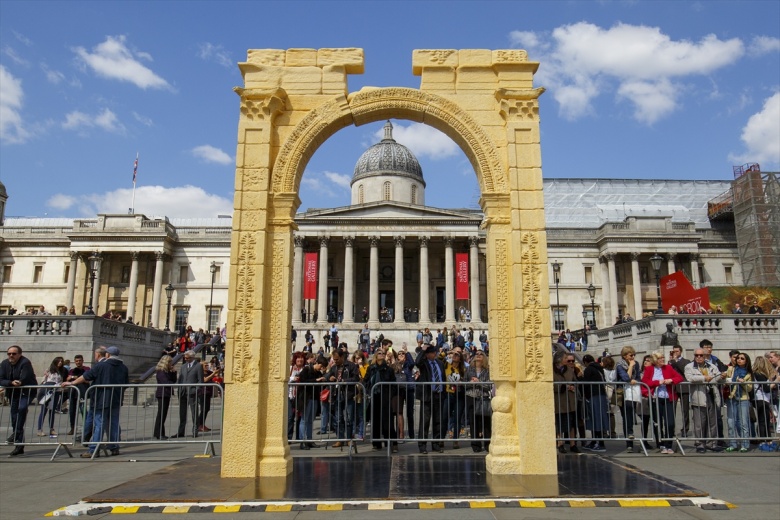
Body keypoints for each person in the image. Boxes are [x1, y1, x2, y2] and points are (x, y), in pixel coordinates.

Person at [63, 346, 129, 457]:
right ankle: (114, 447)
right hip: (116, 399)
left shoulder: (101, 365)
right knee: (113, 423)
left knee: (99, 424)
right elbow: (126, 384)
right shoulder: (124, 367)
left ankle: (94, 449)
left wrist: (72, 383)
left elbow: (85, 376)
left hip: (101, 399)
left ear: (107, 355)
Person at [641, 350, 683, 454]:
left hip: (668, 398)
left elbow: (679, 377)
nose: (662, 360)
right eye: (660, 358)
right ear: (655, 360)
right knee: (657, 423)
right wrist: (657, 382)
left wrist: (671, 380)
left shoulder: (668, 368)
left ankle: (669, 444)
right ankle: (661, 444)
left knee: (670, 423)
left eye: (663, 358)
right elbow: (645, 382)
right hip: (655, 398)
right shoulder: (649, 369)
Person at [1, 345, 37, 456]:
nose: (11, 355)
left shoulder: (25, 362)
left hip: (26, 392)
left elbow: (25, 377)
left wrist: (19, 382)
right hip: (13, 393)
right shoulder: (4, 363)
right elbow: (1, 378)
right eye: (9, 353)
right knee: (14, 416)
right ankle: (19, 445)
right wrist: (10, 383)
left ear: (19, 354)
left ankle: (16, 433)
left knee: (22, 409)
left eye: (14, 354)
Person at [685, 348, 723, 453]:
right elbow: (689, 378)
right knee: (699, 422)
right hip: (698, 396)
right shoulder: (689, 367)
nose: (699, 357)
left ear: (704, 356)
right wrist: (703, 378)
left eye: (701, 355)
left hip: (711, 395)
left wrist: (721, 377)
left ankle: (712, 443)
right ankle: (700, 444)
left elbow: (716, 376)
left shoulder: (711, 366)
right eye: (696, 355)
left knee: (713, 421)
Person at [415, 343, 447, 454]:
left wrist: (444, 392)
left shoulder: (439, 363)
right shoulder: (424, 363)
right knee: (425, 421)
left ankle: (436, 444)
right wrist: (422, 350)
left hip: (439, 394)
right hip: (428, 395)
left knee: (438, 421)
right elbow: (417, 362)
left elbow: (443, 377)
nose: (434, 354)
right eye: (432, 353)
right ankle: (422, 445)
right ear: (427, 354)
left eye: (434, 352)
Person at [325, 349, 360, 448]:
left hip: (348, 394)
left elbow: (356, 378)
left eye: (337, 359)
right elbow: (327, 376)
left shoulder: (351, 366)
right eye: (334, 359)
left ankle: (349, 438)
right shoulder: (334, 367)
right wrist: (329, 378)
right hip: (337, 394)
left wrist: (344, 380)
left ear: (342, 357)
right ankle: (340, 439)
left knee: (349, 418)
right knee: (338, 418)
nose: (335, 361)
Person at [364, 350, 397, 451]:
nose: (382, 355)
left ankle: (391, 443)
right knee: (375, 420)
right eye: (379, 353)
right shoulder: (371, 368)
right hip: (374, 396)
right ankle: (376, 443)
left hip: (385, 397)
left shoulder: (389, 369)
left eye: (383, 353)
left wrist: (390, 394)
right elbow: (366, 381)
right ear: (375, 356)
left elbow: (393, 383)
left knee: (388, 421)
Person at [615, 346, 642, 453]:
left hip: (633, 391)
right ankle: (629, 440)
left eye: (634, 355)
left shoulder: (637, 364)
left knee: (631, 414)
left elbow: (638, 377)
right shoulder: (619, 365)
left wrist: (634, 379)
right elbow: (626, 378)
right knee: (626, 416)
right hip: (623, 393)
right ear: (625, 356)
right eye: (631, 355)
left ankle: (631, 435)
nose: (633, 357)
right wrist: (630, 366)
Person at [724, 353, 752, 452]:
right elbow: (725, 380)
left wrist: (743, 383)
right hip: (731, 397)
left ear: (746, 361)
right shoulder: (731, 369)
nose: (739, 360)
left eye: (742, 358)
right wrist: (725, 380)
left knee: (743, 423)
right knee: (730, 422)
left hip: (743, 398)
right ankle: (733, 444)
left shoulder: (748, 373)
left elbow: (749, 388)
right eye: (738, 358)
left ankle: (745, 444)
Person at [173, 350, 204, 438]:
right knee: (182, 413)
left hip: (192, 393)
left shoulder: (198, 366)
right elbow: (180, 379)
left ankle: (195, 430)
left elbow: (200, 380)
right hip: (183, 392)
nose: (186, 359)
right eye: (185, 358)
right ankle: (181, 431)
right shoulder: (183, 366)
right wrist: (179, 389)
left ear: (193, 357)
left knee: (194, 412)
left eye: (188, 358)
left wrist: (196, 390)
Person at [465, 350, 492, 453]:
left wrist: (479, 382)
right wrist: (470, 382)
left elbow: (489, 385)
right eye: (477, 354)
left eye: (481, 354)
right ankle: (475, 445)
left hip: (483, 397)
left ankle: (487, 444)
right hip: (471, 397)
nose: (479, 355)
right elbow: (464, 384)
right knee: (473, 422)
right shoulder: (469, 369)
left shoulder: (487, 370)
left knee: (485, 422)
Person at [581, 354, 608, 452]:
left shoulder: (588, 369)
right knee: (598, 418)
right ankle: (594, 442)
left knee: (595, 419)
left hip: (593, 396)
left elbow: (586, 384)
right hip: (601, 395)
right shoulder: (599, 368)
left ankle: (600, 443)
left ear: (585, 362)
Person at [37, 356, 67, 437]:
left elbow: (61, 381)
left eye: (61, 361)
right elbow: (44, 380)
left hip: (56, 391)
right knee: (44, 410)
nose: (60, 362)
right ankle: (39, 429)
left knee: (52, 410)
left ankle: (51, 428)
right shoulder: (49, 370)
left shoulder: (62, 371)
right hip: (48, 390)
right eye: (59, 361)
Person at [444, 350, 466, 449]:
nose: (454, 356)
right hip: (449, 394)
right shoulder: (447, 365)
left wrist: (462, 382)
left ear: (460, 359)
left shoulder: (463, 370)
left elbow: (466, 380)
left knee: (457, 418)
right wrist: (449, 351)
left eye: (457, 355)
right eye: (454, 355)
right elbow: (439, 358)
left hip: (459, 395)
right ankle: (441, 438)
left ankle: (455, 440)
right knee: (445, 417)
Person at [65, 354, 90, 435]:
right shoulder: (72, 370)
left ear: (83, 361)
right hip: (73, 393)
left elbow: (86, 380)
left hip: (82, 393)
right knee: (72, 411)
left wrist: (74, 378)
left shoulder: (86, 369)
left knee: (83, 411)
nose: (78, 362)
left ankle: (87, 428)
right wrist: (78, 377)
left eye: (80, 361)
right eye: (76, 361)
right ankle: (72, 428)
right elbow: (68, 379)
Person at [670, 345, 692, 437]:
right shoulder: (670, 362)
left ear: (681, 351)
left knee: (685, 410)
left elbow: (684, 370)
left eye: (677, 351)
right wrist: (671, 362)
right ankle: (671, 429)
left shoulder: (686, 361)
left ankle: (685, 429)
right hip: (673, 388)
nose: (675, 353)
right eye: (674, 351)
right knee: (672, 410)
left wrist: (676, 362)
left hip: (683, 387)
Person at [153, 355, 177, 439]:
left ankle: (160, 432)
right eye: (170, 362)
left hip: (166, 393)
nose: (171, 363)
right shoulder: (161, 371)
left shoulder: (167, 371)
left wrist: (173, 372)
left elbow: (173, 380)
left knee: (163, 413)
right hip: (162, 393)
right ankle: (159, 433)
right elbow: (166, 382)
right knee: (161, 413)